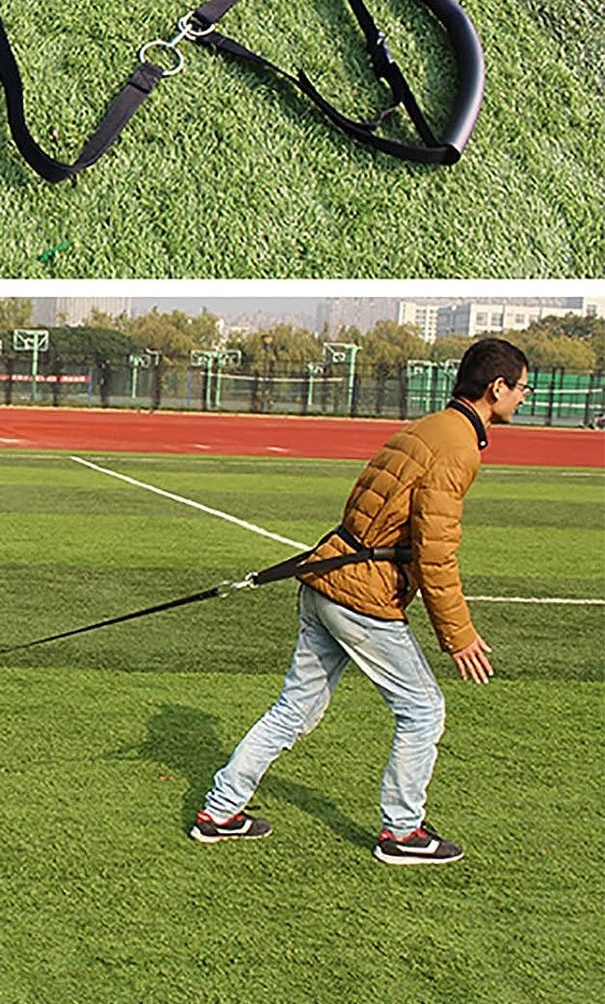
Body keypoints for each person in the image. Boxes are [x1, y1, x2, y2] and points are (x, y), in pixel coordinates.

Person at [190, 337, 531, 865]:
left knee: (295, 709)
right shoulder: (458, 445)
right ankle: (402, 832)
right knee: (422, 709)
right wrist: (458, 635)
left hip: (327, 578)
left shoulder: (429, 426)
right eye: (521, 388)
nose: (524, 398)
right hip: (359, 594)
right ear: (496, 388)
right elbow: (435, 550)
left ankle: (220, 811)